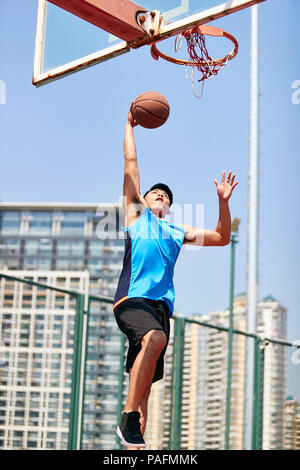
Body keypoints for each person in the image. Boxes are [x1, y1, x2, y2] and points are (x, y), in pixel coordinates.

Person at [113, 105, 239, 450]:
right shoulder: (137, 216)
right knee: (154, 341)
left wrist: (222, 202)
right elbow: (130, 164)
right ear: (144, 199)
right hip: (131, 301)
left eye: (165, 195)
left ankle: (134, 444)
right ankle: (127, 421)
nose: (160, 195)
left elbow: (221, 237)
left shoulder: (176, 230)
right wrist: (130, 126)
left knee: (145, 387)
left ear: (169, 206)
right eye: (155, 192)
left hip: (159, 308)